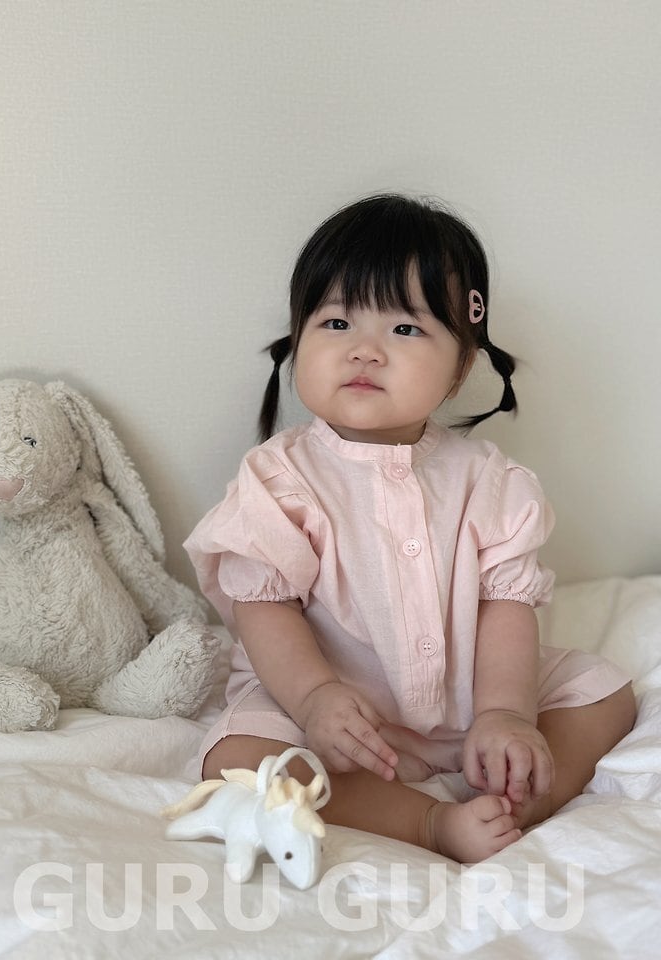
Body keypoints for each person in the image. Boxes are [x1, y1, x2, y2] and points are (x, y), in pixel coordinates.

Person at [185, 194, 636, 862]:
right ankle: (429, 824)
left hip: (470, 691)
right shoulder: (280, 480)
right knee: (238, 761)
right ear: (299, 338)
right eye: (337, 321)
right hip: (331, 705)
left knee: (607, 695)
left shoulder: (487, 481)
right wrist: (314, 700)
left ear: (460, 366)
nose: (365, 351)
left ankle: (520, 800)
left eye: (404, 328)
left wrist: (505, 714)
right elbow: (264, 609)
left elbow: (505, 607)